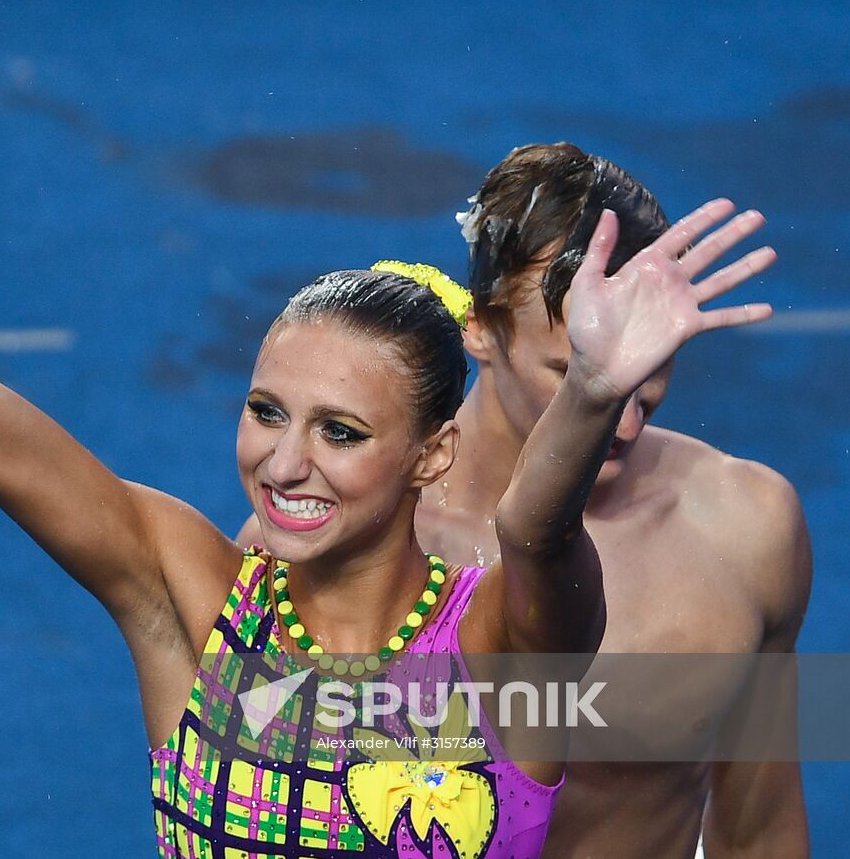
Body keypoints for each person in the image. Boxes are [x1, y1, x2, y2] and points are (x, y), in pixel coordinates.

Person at [0, 35, 776, 857]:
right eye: (265, 412)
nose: (283, 461)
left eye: (340, 430)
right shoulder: (189, 599)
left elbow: (539, 528)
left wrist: (587, 396)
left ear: (427, 453)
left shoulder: (509, 646)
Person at [240, 143, 812, 857]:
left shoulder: (745, 528)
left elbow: (759, 828)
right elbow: (256, 802)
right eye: (571, 369)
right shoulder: (340, 534)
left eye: (648, 362)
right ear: (479, 328)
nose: (622, 415)